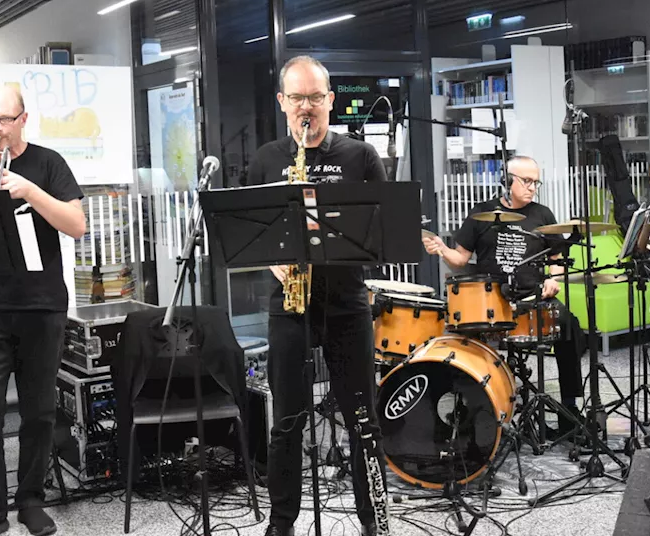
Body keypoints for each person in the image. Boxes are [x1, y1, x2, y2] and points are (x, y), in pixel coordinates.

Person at [247, 56, 387, 536]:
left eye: (315, 97)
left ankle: (376, 522)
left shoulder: (360, 156)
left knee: (362, 419)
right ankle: (281, 524)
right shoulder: (266, 158)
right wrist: (275, 260)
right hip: (290, 305)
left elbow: (381, 230)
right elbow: (252, 229)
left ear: (330, 99)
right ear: (281, 102)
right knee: (286, 421)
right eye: (296, 98)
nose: (306, 107)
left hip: (347, 304)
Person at [0, 85, 87, 536]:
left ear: (23, 120)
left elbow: (77, 226)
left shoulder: (48, 163)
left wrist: (29, 190)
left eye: (4, 120)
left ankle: (30, 499)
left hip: (41, 305)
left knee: (39, 411)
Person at [423, 156, 585, 431]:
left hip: (533, 297)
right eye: (526, 181)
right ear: (506, 180)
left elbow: (557, 258)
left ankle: (569, 409)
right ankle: (476, 412)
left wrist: (553, 280)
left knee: (571, 326)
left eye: (536, 182)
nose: (533, 187)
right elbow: (460, 259)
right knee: (464, 339)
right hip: (491, 299)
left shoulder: (542, 214)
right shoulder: (481, 213)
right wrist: (441, 249)